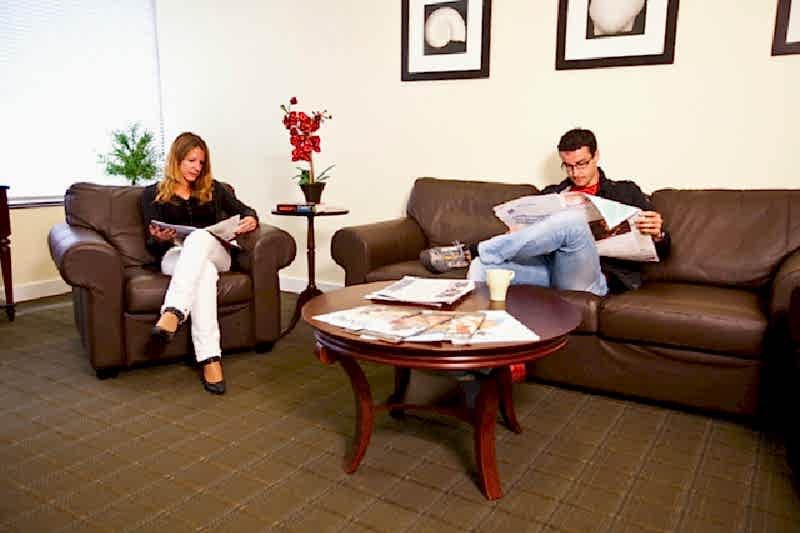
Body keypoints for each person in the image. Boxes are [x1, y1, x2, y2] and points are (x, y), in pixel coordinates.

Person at [467, 128, 670, 295]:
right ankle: (476, 326)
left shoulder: (625, 191)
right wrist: (518, 232)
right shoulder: (552, 195)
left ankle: (480, 249)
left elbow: (662, 251)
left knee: (572, 220)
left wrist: (658, 234)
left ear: (596, 156)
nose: (575, 172)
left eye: (581, 164)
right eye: (568, 166)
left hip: (594, 278)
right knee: (481, 268)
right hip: (550, 272)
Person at [140, 132, 259, 394]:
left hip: (216, 253)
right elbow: (151, 246)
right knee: (203, 274)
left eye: (201, 162)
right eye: (191, 161)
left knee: (199, 237)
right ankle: (210, 359)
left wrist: (251, 219)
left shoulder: (215, 189)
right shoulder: (152, 194)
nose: (197, 167)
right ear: (176, 160)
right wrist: (160, 239)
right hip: (175, 257)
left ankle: (173, 311)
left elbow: (246, 210)